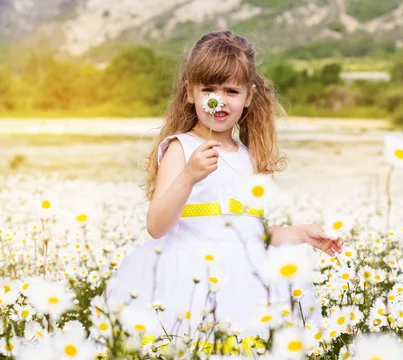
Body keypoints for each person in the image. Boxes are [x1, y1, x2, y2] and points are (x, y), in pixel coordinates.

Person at [105, 30, 343, 338]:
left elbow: (248, 231)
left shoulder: (249, 158)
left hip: (243, 279)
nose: (219, 100)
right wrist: (189, 176)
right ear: (189, 92)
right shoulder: (182, 149)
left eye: (232, 91)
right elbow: (156, 225)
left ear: (249, 96)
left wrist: (298, 233)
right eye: (208, 89)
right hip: (188, 276)